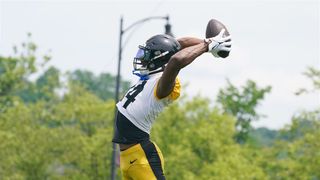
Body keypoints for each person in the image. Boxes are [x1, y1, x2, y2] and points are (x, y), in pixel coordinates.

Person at [112, 29, 232, 180]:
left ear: (158, 59)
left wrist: (208, 45)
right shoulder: (149, 77)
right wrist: (208, 42)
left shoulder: (162, 86)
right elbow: (178, 44)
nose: (142, 58)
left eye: (147, 55)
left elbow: (175, 61)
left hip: (141, 157)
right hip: (128, 158)